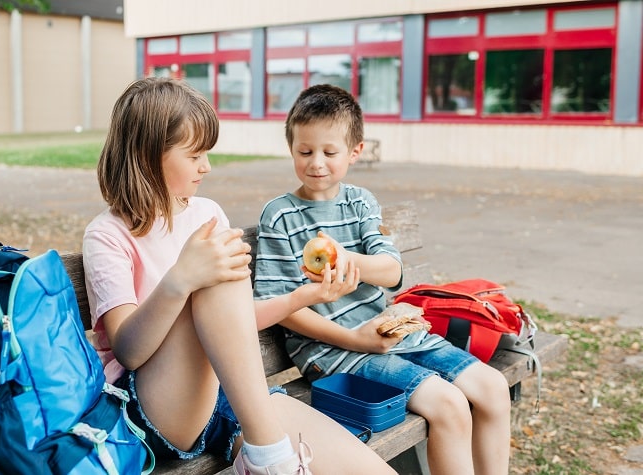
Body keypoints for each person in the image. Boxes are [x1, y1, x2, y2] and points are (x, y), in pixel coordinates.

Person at [82, 77, 395, 475]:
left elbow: (231, 320)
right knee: (216, 273)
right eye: (195, 155)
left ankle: (266, 456)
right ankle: (271, 461)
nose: (206, 167)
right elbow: (129, 351)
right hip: (152, 405)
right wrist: (181, 280)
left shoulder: (205, 213)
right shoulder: (107, 234)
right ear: (147, 155)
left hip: (228, 396)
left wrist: (304, 297)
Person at [253, 84, 512, 475]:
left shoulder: (360, 202)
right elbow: (279, 308)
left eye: (329, 152)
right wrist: (357, 339)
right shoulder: (281, 216)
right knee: (449, 404)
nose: (316, 163)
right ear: (291, 147)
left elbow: (391, 270)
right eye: (304, 152)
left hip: (390, 333)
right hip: (334, 353)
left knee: (492, 388)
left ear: (355, 151)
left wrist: (346, 258)